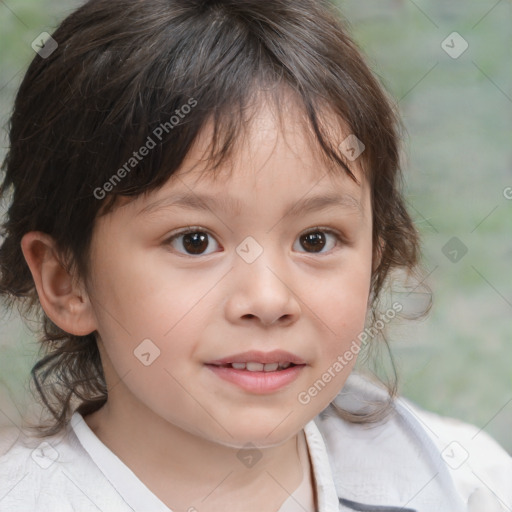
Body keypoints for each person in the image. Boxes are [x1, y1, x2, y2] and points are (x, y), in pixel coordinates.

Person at [0, 0, 510, 510]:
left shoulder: (456, 481)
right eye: (194, 241)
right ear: (66, 279)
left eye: (316, 239)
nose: (268, 299)